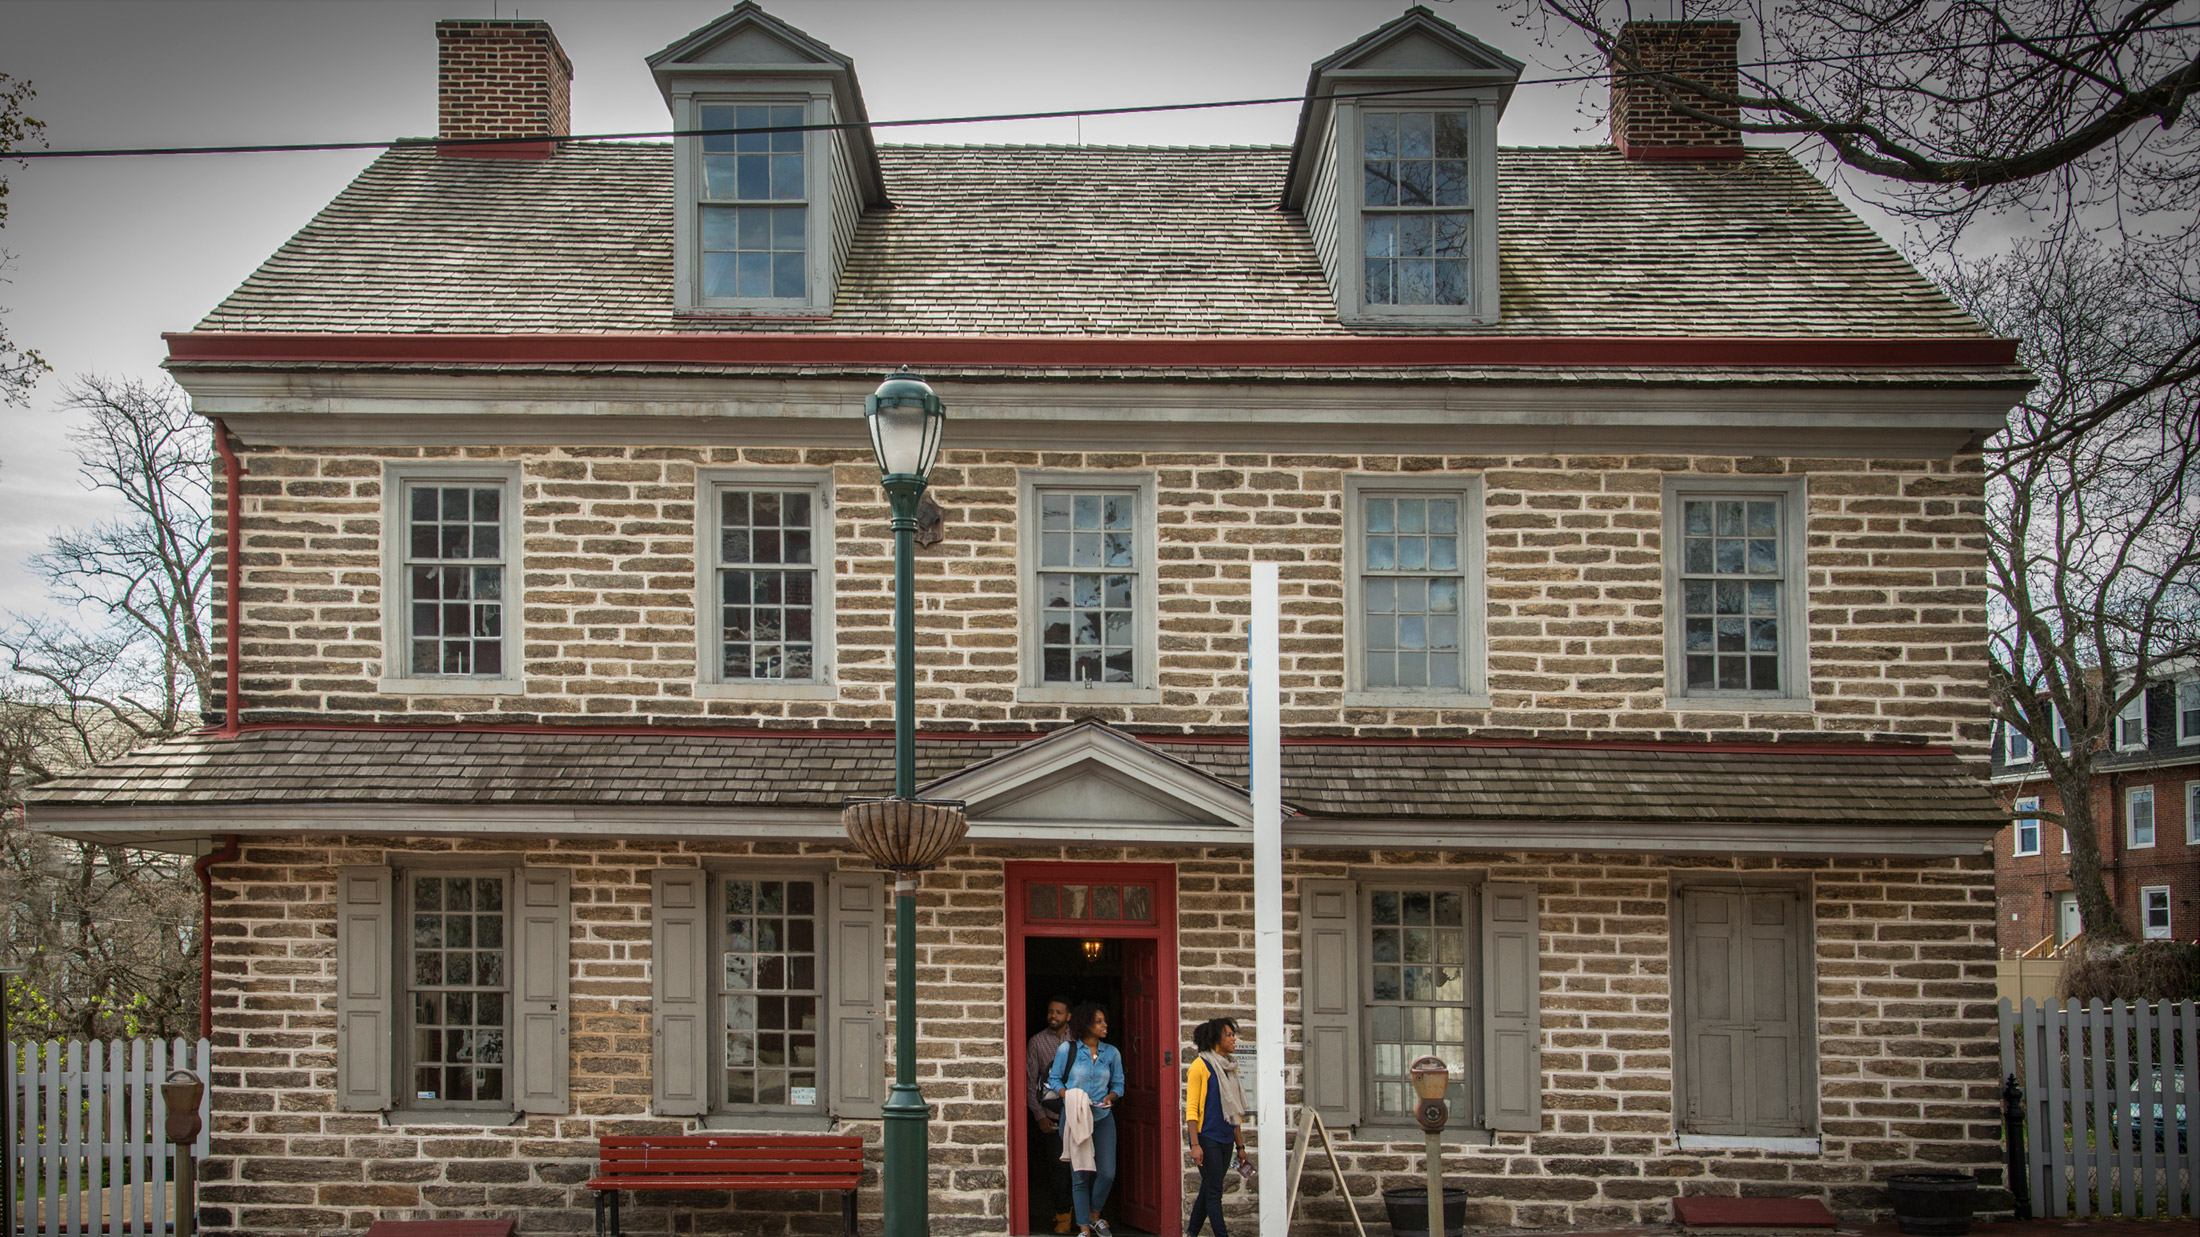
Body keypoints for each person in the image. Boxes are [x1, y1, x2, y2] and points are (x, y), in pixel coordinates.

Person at [1046, 1001, 1125, 1237]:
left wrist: (1111, 1097)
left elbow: (1119, 1084)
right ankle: (1083, 1229)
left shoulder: (1111, 1053)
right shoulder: (1067, 1050)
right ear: (1086, 1024)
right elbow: (1055, 1080)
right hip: (1075, 1118)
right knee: (1079, 1174)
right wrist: (1069, 1096)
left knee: (1107, 1173)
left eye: (1104, 1020)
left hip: (1102, 1117)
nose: (1105, 1025)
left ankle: (1094, 1214)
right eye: (1098, 1021)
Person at [1183, 1017, 1247, 1237]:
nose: (1233, 1038)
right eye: (1228, 1034)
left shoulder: (1230, 1068)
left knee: (1208, 1187)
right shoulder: (1199, 1067)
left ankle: (1191, 1233)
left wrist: (1241, 1146)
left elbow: (1234, 1111)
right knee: (1214, 1191)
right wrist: (1195, 1144)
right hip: (1207, 1137)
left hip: (1226, 1138)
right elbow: (1191, 1109)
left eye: (1233, 1034)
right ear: (1215, 1039)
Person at [1024, 997, 1076, 1234]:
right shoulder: (1036, 1042)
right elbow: (1030, 1081)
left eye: (1058, 1012)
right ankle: (1063, 1216)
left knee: (1084, 1169)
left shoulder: (1080, 1039)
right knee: (1058, 1169)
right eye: (1050, 1012)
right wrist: (1039, 1115)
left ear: (1069, 1016)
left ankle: (1085, 1216)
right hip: (1052, 1118)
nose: (1053, 1016)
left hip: (1079, 1116)